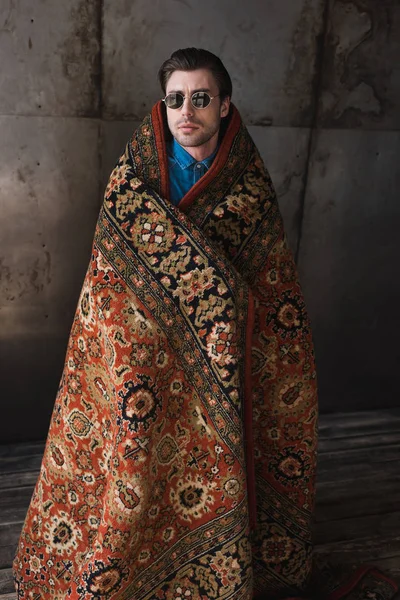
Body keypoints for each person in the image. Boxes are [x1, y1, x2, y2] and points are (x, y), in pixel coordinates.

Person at [13, 48, 392, 600]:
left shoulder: (248, 189)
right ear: (162, 106)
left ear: (224, 105)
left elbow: (269, 282)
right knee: (136, 454)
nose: (185, 110)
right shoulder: (134, 179)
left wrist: (217, 307)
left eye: (200, 98)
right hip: (144, 358)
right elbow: (109, 282)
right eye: (175, 99)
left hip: (223, 363)